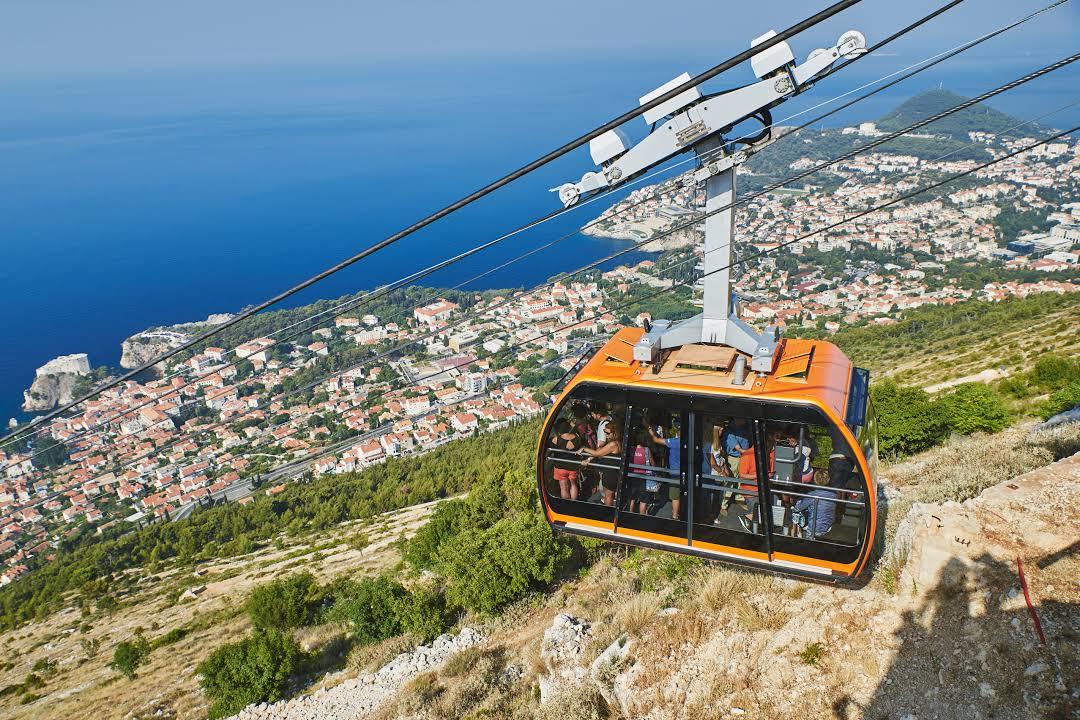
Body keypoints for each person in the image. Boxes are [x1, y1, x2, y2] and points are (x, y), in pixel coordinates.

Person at [580, 417, 623, 507]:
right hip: (615, 472)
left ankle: (608, 513)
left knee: (608, 496)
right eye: (604, 431)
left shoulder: (612, 444)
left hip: (610, 473)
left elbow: (597, 453)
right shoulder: (618, 442)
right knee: (612, 494)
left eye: (607, 433)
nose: (605, 434)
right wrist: (589, 459)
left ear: (614, 433)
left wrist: (584, 448)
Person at [794, 469, 838, 539]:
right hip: (828, 527)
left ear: (815, 480)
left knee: (797, 509)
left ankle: (798, 535)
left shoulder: (812, 495)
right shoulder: (834, 495)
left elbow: (798, 508)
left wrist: (797, 504)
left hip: (814, 528)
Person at [550, 419, 582, 501]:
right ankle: (574, 502)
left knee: (563, 488)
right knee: (574, 485)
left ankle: (566, 504)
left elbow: (549, 447)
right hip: (573, 466)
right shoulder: (577, 438)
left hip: (560, 467)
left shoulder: (556, 439)